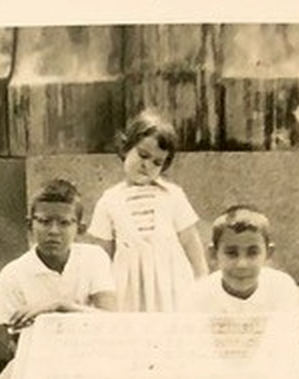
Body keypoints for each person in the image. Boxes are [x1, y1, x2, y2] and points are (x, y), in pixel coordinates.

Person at [0, 178, 117, 379]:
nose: (54, 231)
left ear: (80, 228)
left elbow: (110, 322)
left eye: (64, 223)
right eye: (44, 221)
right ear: (29, 225)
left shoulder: (94, 258)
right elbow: (18, 346)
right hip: (37, 360)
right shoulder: (13, 273)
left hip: (93, 353)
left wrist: (58, 306)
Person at [85, 108, 209, 312]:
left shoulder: (172, 195)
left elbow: (190, 242)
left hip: (171, 283)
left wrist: (203, 284)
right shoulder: (109, 201)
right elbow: (102, 254)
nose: (147, 165)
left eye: (157, 162)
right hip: (128, 286)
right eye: (143, 155)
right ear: (126, 149)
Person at [180, 205, 299, 321]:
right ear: (213, 253)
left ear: (268, 253)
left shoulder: (281, 288)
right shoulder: (198, 296)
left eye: (252, 253)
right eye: (231, 253)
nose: (242, 264)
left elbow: (287, 338)